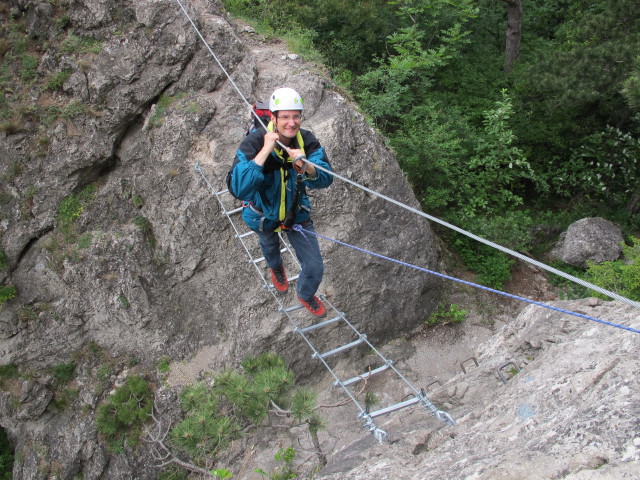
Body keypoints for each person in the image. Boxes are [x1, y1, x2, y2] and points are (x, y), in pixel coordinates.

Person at [231, 87, 333, 317]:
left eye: (296, 116)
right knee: (269, 247)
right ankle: (276, 268)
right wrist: (265, 150)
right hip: (262, 213)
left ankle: (305, 294)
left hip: (296, 213)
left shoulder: (306, 141)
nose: (291, 122)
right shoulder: (254, 142)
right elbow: (238, 188)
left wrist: (305, 166)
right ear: (274, 117)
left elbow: (325, 179)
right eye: (285, 117)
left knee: (315, 267)